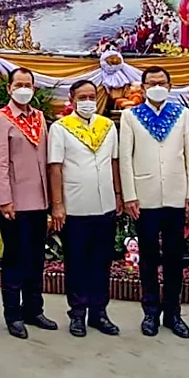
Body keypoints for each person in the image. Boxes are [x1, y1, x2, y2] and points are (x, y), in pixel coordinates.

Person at [119, 66, 189, 338]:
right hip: (145, 197)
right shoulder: (130, 116)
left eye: (161, 82)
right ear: (142, 87)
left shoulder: (182, 114)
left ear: (170, 84)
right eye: (151, 82)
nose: (156, 86)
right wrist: (129, 195)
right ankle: (150, 312)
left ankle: (173, 313)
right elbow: (125, 158)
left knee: (175, 258)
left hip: (177, 196)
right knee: (149, 258)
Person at [48, 80, 122, 338]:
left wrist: (119, 194)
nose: (88, 101)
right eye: (82, 96)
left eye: (91, 96)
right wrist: (57, 205)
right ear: (72, 98)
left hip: (105, 205)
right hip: (75, 206)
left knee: (101, 263)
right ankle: (77, 313)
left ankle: (99, 313)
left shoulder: (108, 126)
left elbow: (114, 162)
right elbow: (55, 166)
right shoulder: (60, 128)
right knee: (77, 263)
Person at [0, 68, 58, 335]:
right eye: (19, 84)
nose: (24, 88)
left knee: (35, 258)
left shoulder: (39, 117)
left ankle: (33, 309)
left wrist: (51, 201)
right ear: (9, 88)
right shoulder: (0, 120)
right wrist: (5, 200)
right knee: (15, 259)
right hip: (14, 203)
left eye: (28, 84)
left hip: (38, 202)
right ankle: (12, 314)